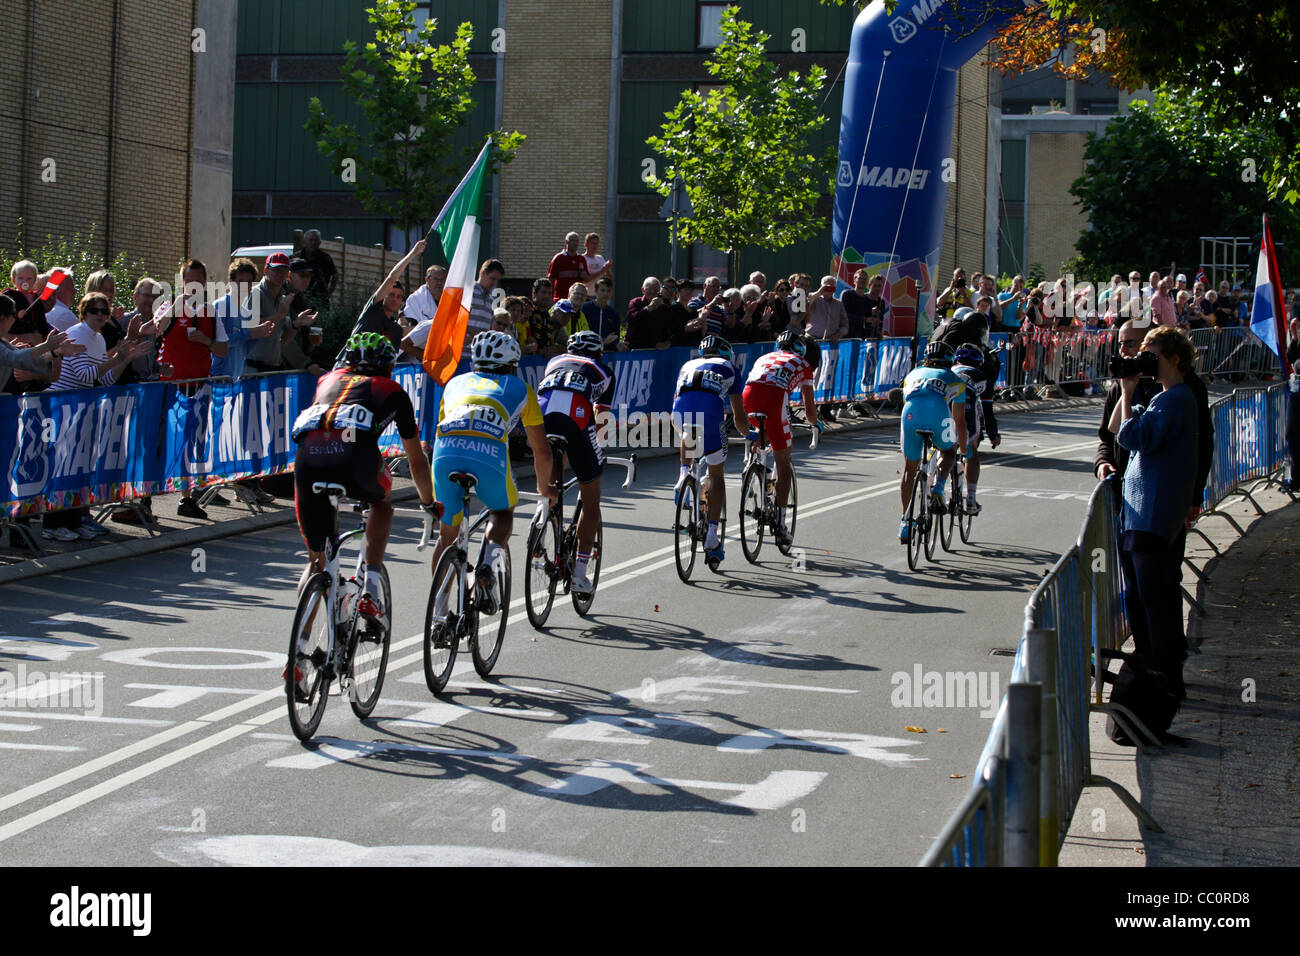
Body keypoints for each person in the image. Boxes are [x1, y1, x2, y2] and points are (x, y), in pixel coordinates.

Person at [289, 332, 437, 662]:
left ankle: (297, 655)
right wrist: (428, 502)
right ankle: (371, 584)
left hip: (308, 461)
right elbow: (415, 459)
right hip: (355, 459)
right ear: (387, 368)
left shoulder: (328, 378)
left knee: (317, 560)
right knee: (382, 504)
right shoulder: (394, 390)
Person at [428, 330, 555, 618]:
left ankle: (438, 612)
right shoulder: (520, 387)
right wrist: (545, 489)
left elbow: (443, 427)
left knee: (447, 535)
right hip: (487, 457)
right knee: (502, 512)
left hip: (445, 454)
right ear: (512, 365)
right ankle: (487, 564)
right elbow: (542, 450)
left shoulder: (455, 383)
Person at [1110, 325, 1200, 700]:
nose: (1145, 363)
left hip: (1152, 514)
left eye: (1153, 356)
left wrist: (1131, 393)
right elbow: (1115, 426)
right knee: (1140, 595)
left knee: (1153, 599)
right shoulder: (1163, 397)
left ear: (1174, 360)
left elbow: (1131, 437)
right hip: (1141, 515)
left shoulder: (1175, 399)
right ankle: (1154, 668)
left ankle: (1163, 678)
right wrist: (1127, 390)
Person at [536, 330, 616, 595]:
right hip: (576, 416)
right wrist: (597, 452)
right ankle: (580, 575)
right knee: (591, 498)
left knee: (552, 477)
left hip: (542, 414)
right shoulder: (604, 370)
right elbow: (600, 418)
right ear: (599, 353)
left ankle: (544, 511)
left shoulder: (554, 362)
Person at [672, 335, 747, 565]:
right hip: (711, 412)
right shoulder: (730, 368)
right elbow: (738, 415)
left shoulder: (687, 365)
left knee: (687, 430)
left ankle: (684, 474)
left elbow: (677, 399)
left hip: (680, 411)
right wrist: (749, 434)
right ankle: (712, 537)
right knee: (717, 475)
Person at [742, 329, 821, 548]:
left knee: (762, 430)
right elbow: (809, 408)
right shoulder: (803, 364)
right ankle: (780, 521)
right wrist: (815, 424)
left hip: (748, 396)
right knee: (783, 459)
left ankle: (754, 464)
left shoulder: (764, 357)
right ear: (801, 350)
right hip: (775, 399)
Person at [897, 340, 967, 543]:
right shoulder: (956, 379)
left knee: (910, 469)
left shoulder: (912, 374)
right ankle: (938, 488)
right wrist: (963, 449)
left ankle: (905, 522)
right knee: (949, 452)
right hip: (938, 416)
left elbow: (907, 400)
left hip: (910, 416)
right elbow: (959, 421)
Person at [950, 344, 989, 515]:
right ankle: (971, 499)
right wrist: (993, 434)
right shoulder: (980, 375)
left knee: (945, 448)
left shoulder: (949, 371)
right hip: (968, 410)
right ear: (979, 363)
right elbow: (987, 406)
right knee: (971, 450)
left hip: (946, 411)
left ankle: (934, 485)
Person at [547, 232, 593, 303]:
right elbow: (551, 279)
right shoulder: (559, 258)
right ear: (566, 242)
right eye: (572, 240)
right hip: (560, 299)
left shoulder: (581, 259)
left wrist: (584, 276)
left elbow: (587, 279)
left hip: (576, 299)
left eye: (577, 241)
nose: (575, 243)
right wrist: (550, 297)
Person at [298, 229, 338, 308]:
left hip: (321, 299)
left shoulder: (325, 258)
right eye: (311, 240)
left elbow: (335, 275)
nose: (313, 243)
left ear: (319, 243)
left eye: (316, 240)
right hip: (301, 299)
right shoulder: (297, 257)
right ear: (305, 242)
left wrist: (330, 292)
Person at [582, 276, 624, 351]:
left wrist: (617, 345)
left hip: (607, 355)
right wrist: (603, 341)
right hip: (586, 353)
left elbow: (614, 339)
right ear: (595, 291)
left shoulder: (614, 314)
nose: (605, 294)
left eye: (608, 291)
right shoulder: (585, 308)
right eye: (602, 290)